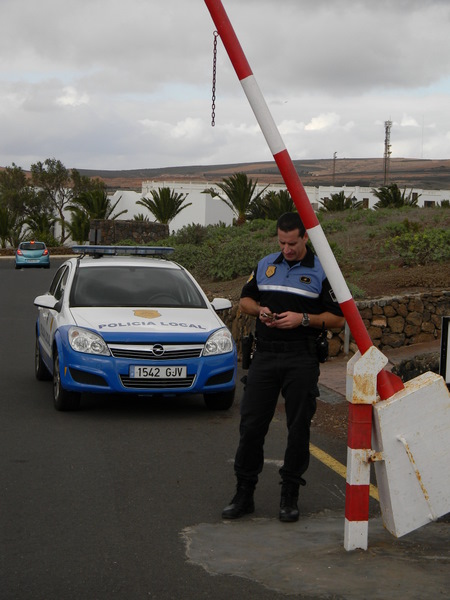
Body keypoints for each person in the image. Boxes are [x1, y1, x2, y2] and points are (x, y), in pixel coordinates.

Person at [222, 212, 345, 522]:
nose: (287, 249)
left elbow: (338, 319)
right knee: (251, 426)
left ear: (305, 238)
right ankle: (243, 493)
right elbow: (245, 301)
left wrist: (303, 319)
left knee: (298, 428)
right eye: (282, 243)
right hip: (265, 355)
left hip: (301, 357)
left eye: (292, 243)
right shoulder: (266, 264)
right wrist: (260, 310)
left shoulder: (322, 270)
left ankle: (290, 495)